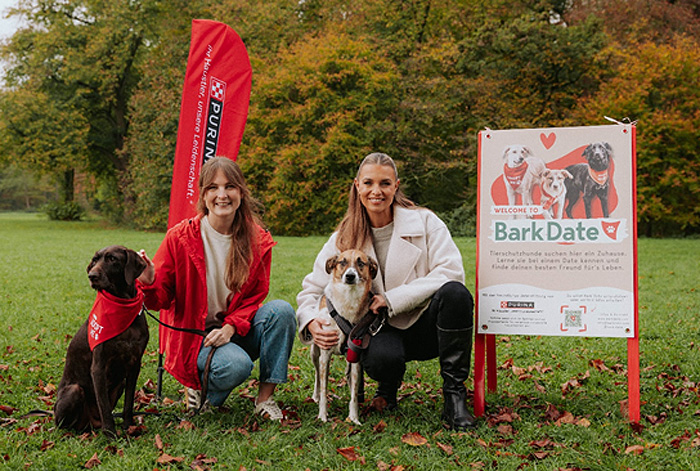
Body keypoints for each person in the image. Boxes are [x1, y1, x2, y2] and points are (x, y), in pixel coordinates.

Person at [296, 152, 475, 430]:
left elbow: (451, 271)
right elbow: (312, 288)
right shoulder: (344, 236)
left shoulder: (426, 222)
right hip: (379, 330)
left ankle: (455, 396)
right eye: (368, 183)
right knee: (381, 359)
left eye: (385, 183)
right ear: (357, 186)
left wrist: (393, 299)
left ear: (396, 186)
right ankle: (386, 389)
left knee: (456, 294)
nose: (376, 191)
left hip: (425, 325)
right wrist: (311, 320)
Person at [138, 157, 296, 420]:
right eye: (213, 187)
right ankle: (203, 390)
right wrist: (149, 281)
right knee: (237, 366)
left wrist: (230, 327)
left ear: (241, 192)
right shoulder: (180, 238)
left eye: (229, 186)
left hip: (232, 329)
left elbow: (255, 297)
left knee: (282, 311)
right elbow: (160, 301)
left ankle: (265, 400)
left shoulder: (257, 240)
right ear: (203, 194)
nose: (222, 195)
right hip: (194, 335)